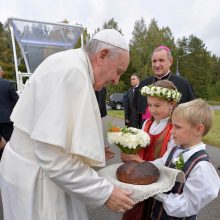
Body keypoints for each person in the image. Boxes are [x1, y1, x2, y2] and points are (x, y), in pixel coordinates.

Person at [0, 29, 135, 220]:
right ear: (102, 55)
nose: (116, 80)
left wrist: (84, 153)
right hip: (37, 180)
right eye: (118, 71)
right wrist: (105, 193)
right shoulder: (74, 73)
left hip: (23, 169)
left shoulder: (69, 63)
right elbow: (52, 156)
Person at [121, 80, 181, 220]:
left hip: (158, 181)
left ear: (172, 103)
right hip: (141, 177)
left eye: (157, 105)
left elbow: (169, 159)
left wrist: (140, 161)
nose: (152, 110)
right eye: (149, 105)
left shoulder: (173, 129)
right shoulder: (148, 123)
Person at [151, 98, 220, 219]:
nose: (171, 131)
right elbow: (160, 164)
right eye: (172, 125)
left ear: (198, 129)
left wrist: (156, 193)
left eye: (177, 127)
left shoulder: (201, 167)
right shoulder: (175, 149)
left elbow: (187, 205)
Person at [133, 45, 195, 128]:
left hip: (172, 134)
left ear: (170, 61)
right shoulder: (144, 83)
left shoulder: (183, 83)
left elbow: (191, 113)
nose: (157, 64)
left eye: (161, 60)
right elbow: (137, 114)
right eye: (154, 61)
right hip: (146, 133)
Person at [0, 66, 19, 158]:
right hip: (6, 120)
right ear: (1, 73)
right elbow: (17, 101)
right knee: (8, 146)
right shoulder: (7, 84)